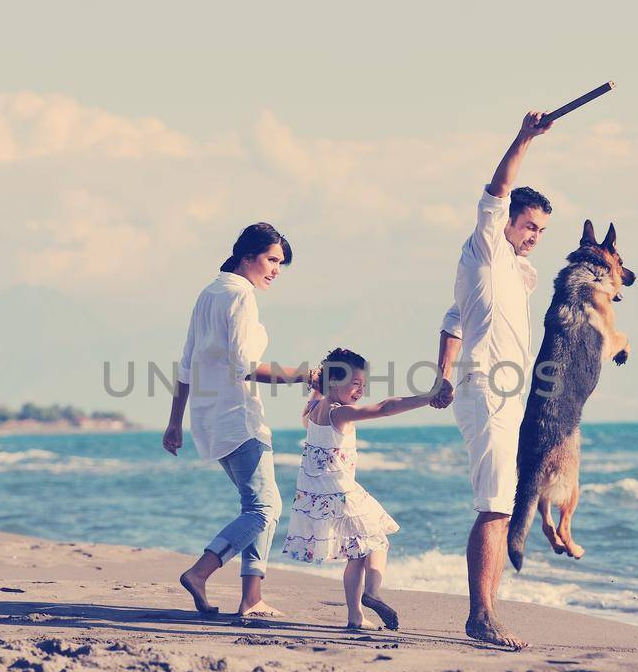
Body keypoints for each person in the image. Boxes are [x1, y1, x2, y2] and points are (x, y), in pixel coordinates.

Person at [433, 111, 554, 649]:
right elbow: (498, 188)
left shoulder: (513, 272)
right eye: (529, 226)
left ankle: (487, 612)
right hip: (485, 387)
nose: (534, 237)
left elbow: (454, 318)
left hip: (506, 395)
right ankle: (480, 617)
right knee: (495, 504)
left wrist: (441, 375)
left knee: (501, 503)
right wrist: (524, 138)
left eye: (541, 231)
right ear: (505, 222)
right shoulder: (484, 246)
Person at [164, 223, 317, 619]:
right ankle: (201, 571)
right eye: (271, 260)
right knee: (265, 509)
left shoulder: (209, 292)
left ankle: (251, 598)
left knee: (257, 505)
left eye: (280, 263)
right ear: (246, 256)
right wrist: (304, 374)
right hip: (238, 417)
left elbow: (185, 364)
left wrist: (175, 422)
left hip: (209, 419)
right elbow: (247, 366)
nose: (275, 270)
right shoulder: (240, 296)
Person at [281, 348, 441, 629]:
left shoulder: (314, 410)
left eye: (363, 386)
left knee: (356, 554)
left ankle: (355, 616)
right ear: (333, 383)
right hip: (341, 492)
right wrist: (427, 398)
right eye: (355, 384)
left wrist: (316, 391)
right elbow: (384, 408)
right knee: (378, 540)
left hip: (319, 495)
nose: (360, 392)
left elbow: (308, 419)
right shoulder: (338, 413)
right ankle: (373, 593)